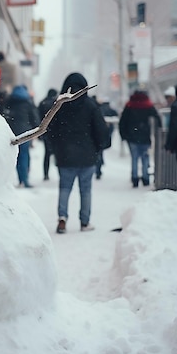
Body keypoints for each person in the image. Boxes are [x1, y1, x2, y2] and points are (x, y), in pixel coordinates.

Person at [47, 72, 111, 234]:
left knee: (65, 188)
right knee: (86, 190)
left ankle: (62, 218)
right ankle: (84, 221)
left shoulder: (60, 104)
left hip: (65, 154)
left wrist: (56, 146)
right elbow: (100, 130)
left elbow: (50, 129)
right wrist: (99, 146)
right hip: (87, 155)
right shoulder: (91, 105)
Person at [118, 90, 161, 187]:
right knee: (145, 157)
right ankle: (145, 178)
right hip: (145, 136)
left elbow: (123, 121)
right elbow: (157, 118)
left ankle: (135, 178)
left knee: (134, 158)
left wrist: (124, 135)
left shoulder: (129, 105)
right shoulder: (148, 105)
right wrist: (159, 131)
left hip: (132, 136)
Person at [4, 84, 40, 188]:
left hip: (13, 134)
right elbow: (35, 118)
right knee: (25, 155)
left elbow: (5, 116)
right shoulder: (28, 102)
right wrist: (34, 130)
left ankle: (20, 180)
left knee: (17, 156)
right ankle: (25, 179)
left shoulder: (10, 101)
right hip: (25, 133)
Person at [95, 98, 118, 179]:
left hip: (96, 135)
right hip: (105, 134)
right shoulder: (110, 110)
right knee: (100, 152)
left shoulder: (97, 110)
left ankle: (97, 167)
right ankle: (99, 167)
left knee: (98, 152)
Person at [38, 88, 58, 180]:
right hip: (56, 132)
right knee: (58, 153)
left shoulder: (42, 103)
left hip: (45, 131)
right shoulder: (56, 103)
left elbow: (38, 118)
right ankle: (60, 172)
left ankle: (45, 174)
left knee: (47, 154)